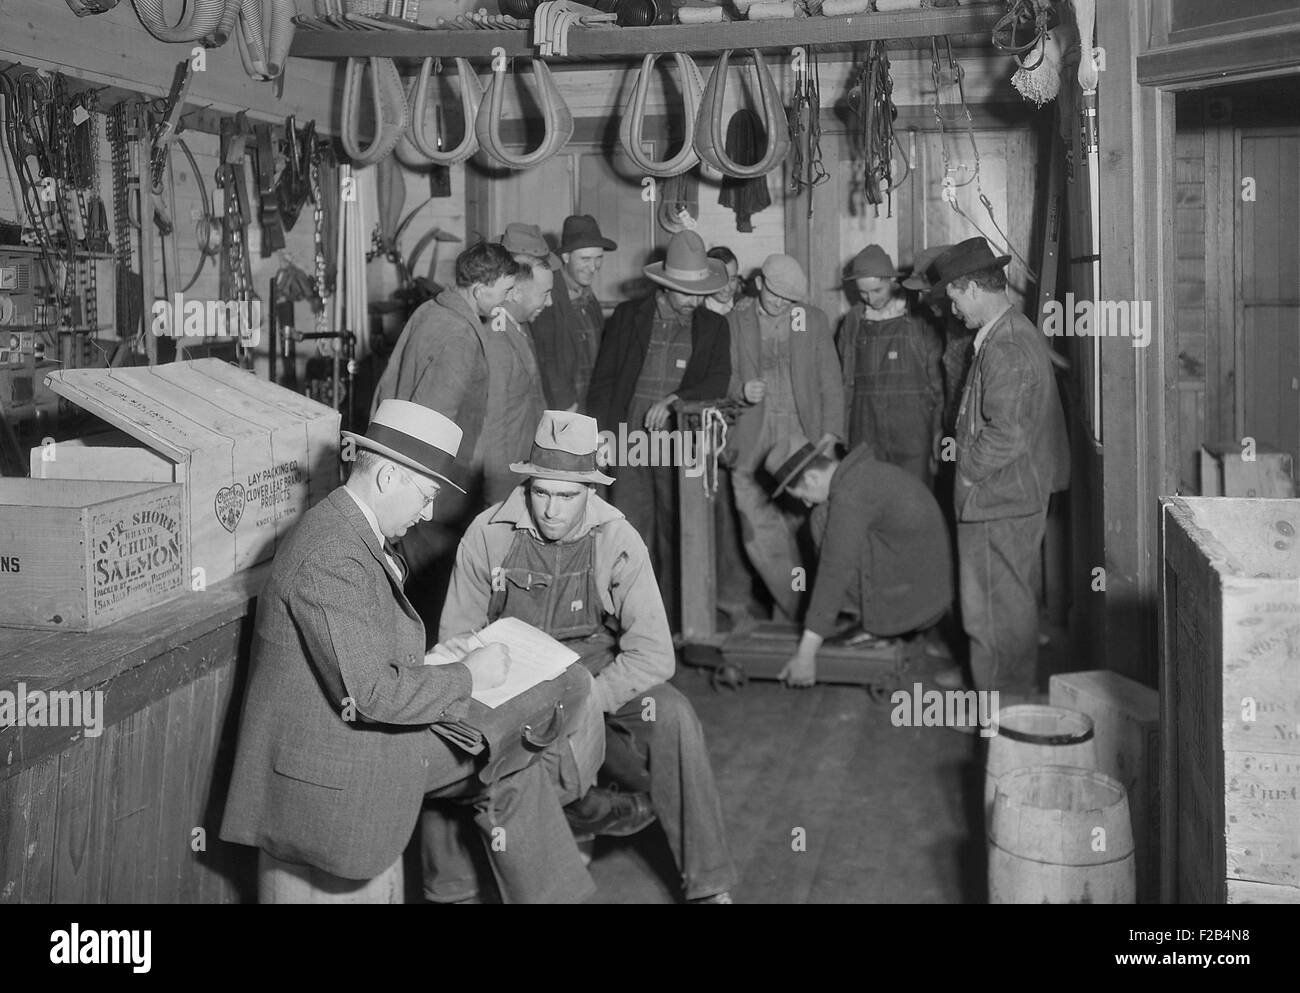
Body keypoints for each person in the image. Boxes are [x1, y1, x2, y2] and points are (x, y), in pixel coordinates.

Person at [220, 400, 600, 903]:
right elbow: (373, 695)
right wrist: (467, 674)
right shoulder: (332, 554)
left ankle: (471, 888)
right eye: (426, 495)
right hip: (337, 768)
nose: (427, 513)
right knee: (528, 722)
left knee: (508, 756)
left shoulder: (351, 531)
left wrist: (441, 658)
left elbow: (364, 654)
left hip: (354, 739)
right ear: (388, 478)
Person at [430, 410, 736, 903]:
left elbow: (654, 652)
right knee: (445, 736)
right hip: (511, 676)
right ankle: (452, 891)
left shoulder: (617, 539)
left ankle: (708, 883)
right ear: (527, 483)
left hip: (594, 668)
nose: (551, 510)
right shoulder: (488, 533)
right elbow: (456, 640)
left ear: (590, 491)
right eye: (541, 492)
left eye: (567, 496)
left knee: (675, 718)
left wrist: (589, 697)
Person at [931, 237, 1070, 696]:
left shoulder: (1006, 345)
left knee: (993, 612)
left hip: (998, 499)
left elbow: (1006, 432)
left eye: (953, 297)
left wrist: (966, 470)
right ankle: (995, 693)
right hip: (1011, 497)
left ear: (971, 287)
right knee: (1006, 605)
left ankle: (1002, 712)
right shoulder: (1009, 331)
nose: (953, 310)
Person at [586, 229, 731, 627]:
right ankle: (630, 617)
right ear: (665, 286)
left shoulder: (714, 327)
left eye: (700, 292)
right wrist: (600, 434)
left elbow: (718, 382)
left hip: (677, 444)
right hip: (628, 439)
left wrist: (675, 401)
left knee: (677, 529)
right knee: (629, 529)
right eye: (687, 292)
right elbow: (604, 379)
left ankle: (670, 617)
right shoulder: (629, 317)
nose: (695, 301)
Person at [369, 241, 522, 601]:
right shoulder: (460, 336)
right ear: (480, 289)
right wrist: (429, 497)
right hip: (437, 484)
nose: (509, 298)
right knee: (435, 586)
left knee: (407, 575)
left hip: (399, 467)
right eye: (506, 290)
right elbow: (434, 422)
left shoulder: (430, 309)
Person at [762, 433, 953, 688]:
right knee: (824, 520)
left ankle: (879, 627)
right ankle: (875, 617)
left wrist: (805, 656)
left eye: (802, 496)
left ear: (812, 478)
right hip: (933, 589)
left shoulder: (851, 495)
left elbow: (834, 572)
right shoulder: (860, 472)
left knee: (820, 522)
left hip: (915, 600)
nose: (806, 503)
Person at [722, 254, 843, 621]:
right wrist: (740, 389)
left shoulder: (813, 321)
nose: (780, 305)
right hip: (750, 438)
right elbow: (715, 377)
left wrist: (830, 433)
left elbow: (830, 382)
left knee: (804, 531)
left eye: (789, 301)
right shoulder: (732, 321)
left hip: (801, 436)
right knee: (757, 531)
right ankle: (796, 610)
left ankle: (801, 610)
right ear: (758, 282)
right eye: (774, 295)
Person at [838, 244, 945, 487]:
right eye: (863, 293)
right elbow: (846, 381)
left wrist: (938, 432)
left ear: (891, 281)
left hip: (913, 435)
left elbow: (937, 385)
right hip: (865, 432)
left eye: (877, 290)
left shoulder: (920, 318)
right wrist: (844, 430)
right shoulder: (854, 321)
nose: (870, 299)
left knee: (914, 503)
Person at [479, 233, 555, 504]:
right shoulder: (497, 339)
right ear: (517, 292)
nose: (550, 303)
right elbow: (494, 426)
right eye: (545, 294)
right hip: (504, 480)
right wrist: (497, 500)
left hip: (522, 470)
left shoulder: (517, 329)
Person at [530, 214, 617, 411]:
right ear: (566, 257)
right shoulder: (548, 294)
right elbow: (546, 358)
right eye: (585, 259)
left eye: (598, 259)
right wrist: (565, 405)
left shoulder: (587, 294)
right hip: (564, 404)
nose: (593, 267)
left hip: (590, 399)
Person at [704, 246, 741, 316]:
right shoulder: (695, 310)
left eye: (732, 279)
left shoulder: (747, 305)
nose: (727, 289)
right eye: (721, 280)